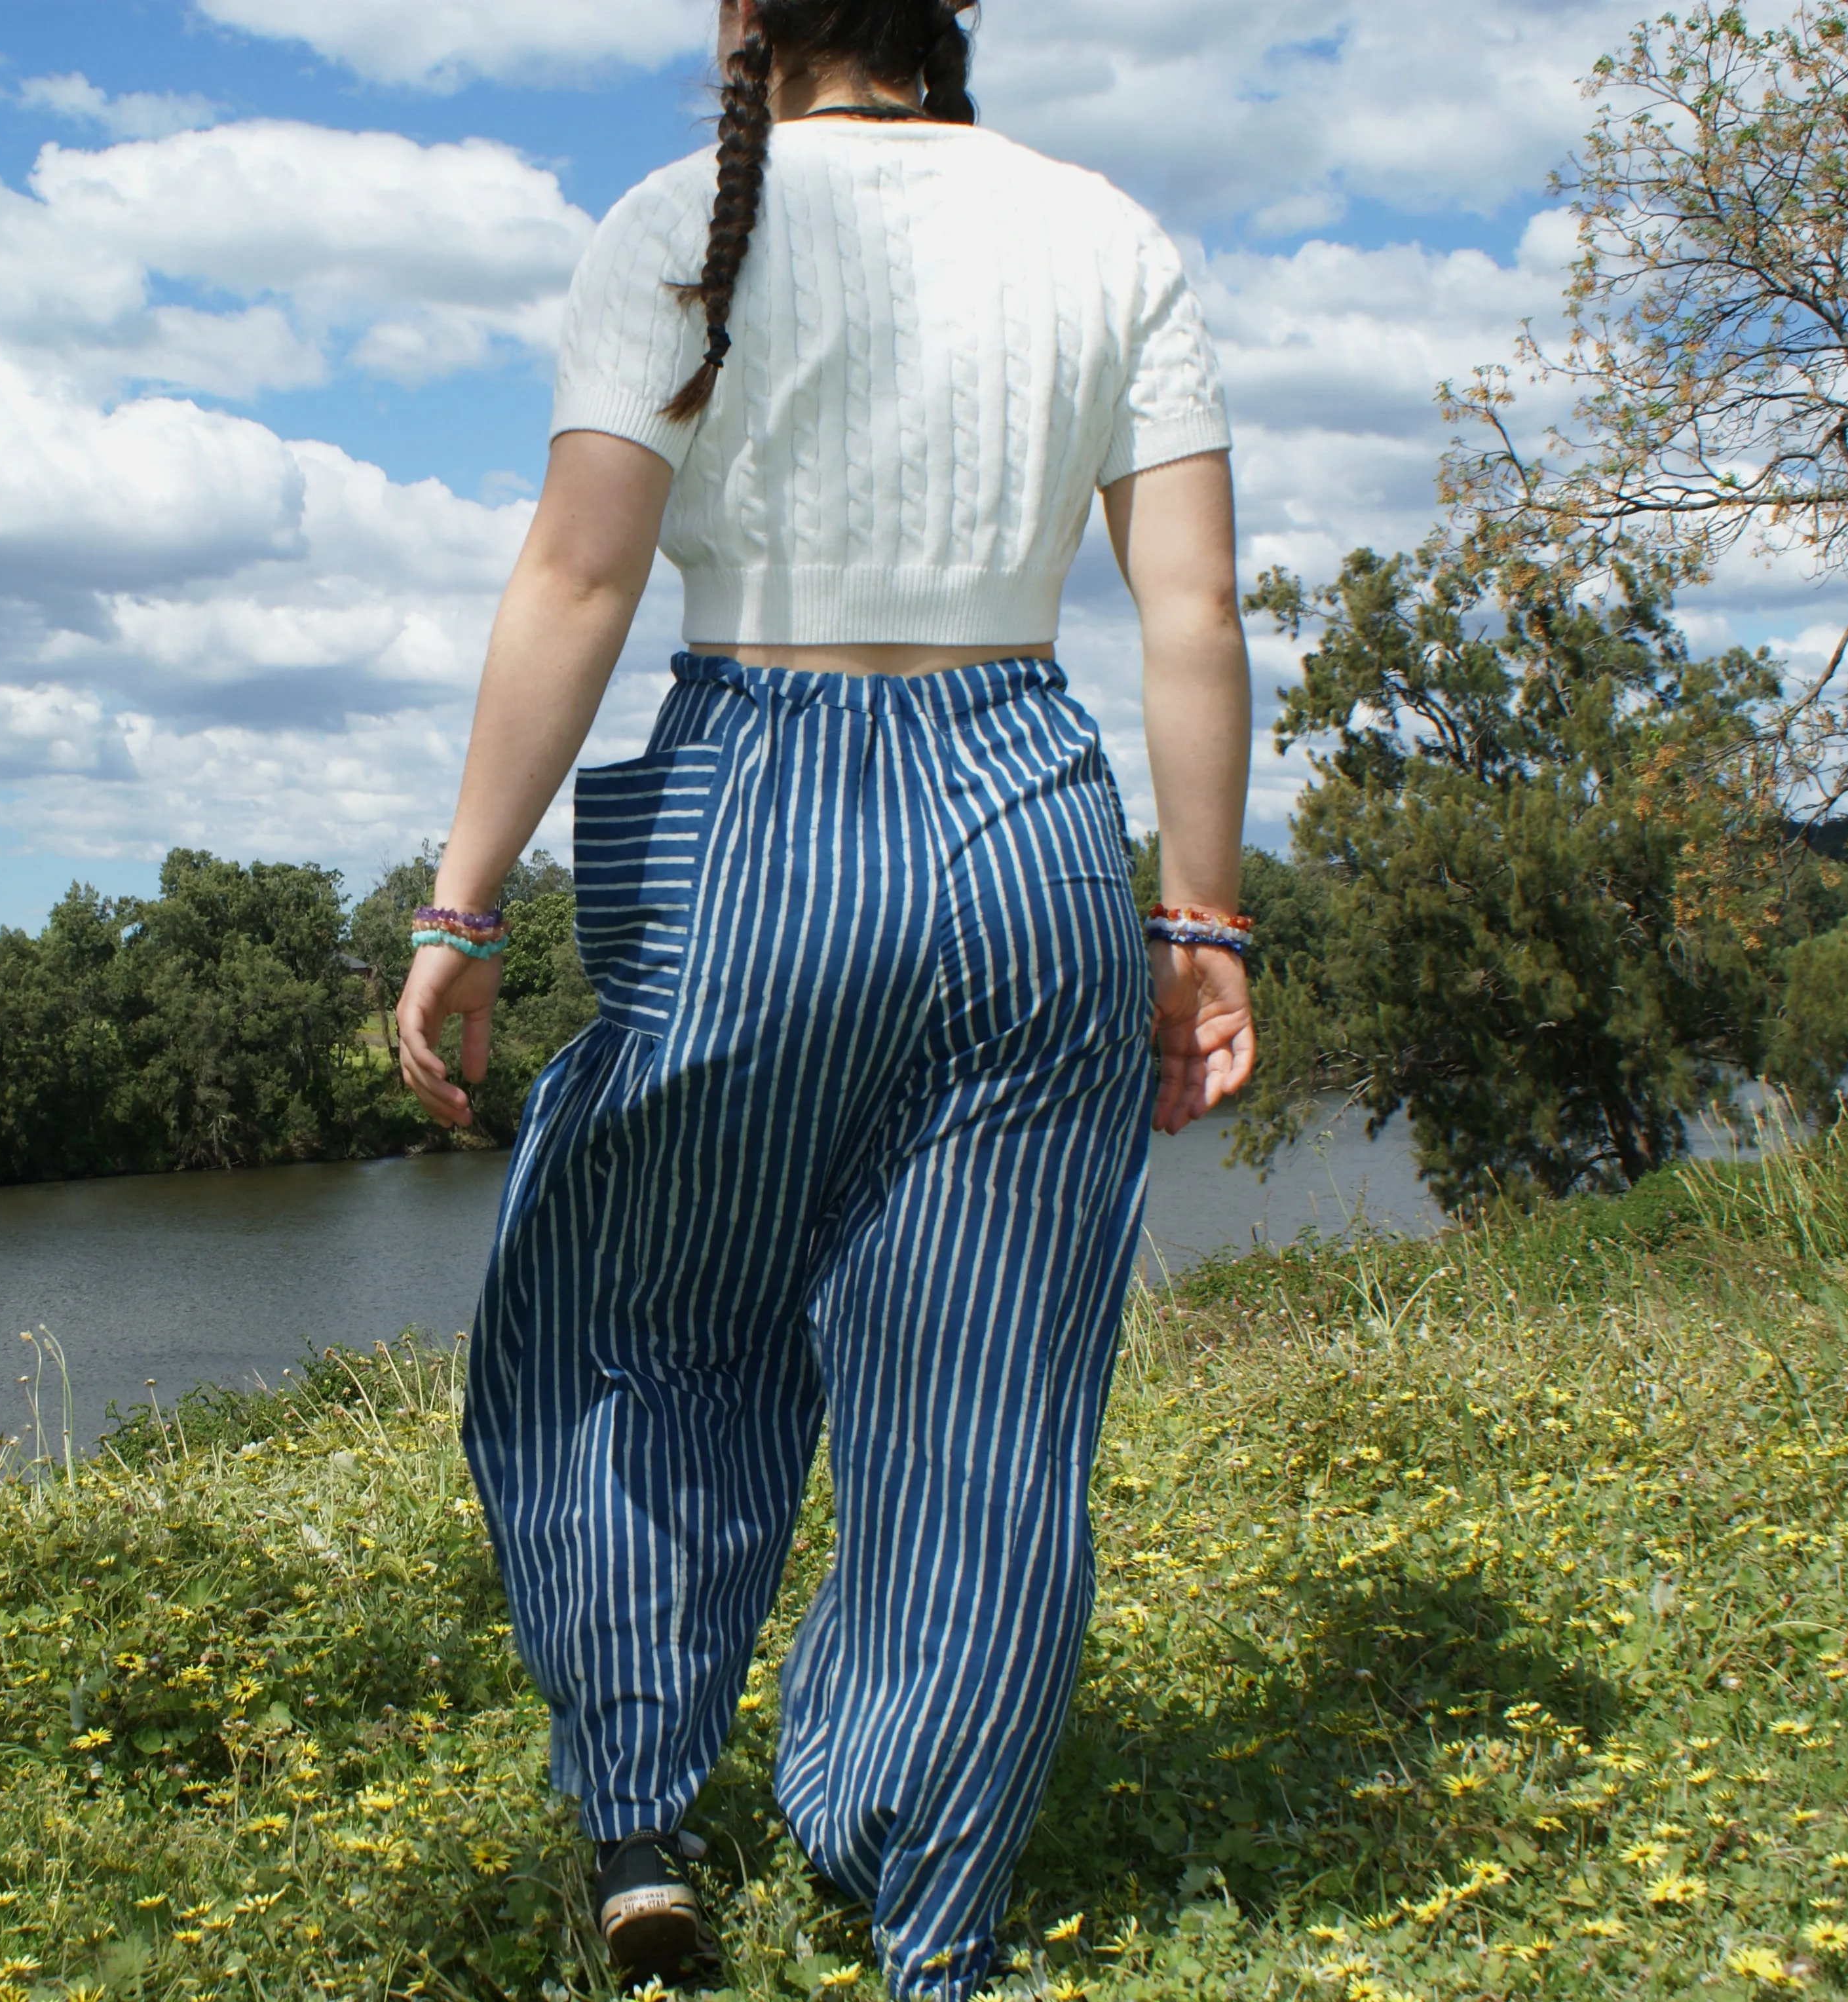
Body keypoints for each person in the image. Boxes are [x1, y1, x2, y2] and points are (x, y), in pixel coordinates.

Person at [394, 0, 1256, 1992]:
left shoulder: (682, 220)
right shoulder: (1107, 231)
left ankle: (638, 1809)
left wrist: (465, 911)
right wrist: (1198, 921)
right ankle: (922, 1890)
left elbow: (581, 581)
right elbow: (1191, 610)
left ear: (746, 20)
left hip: (747, 814)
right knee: (985, 1401)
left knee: (635, 1317)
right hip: (1024, 822)